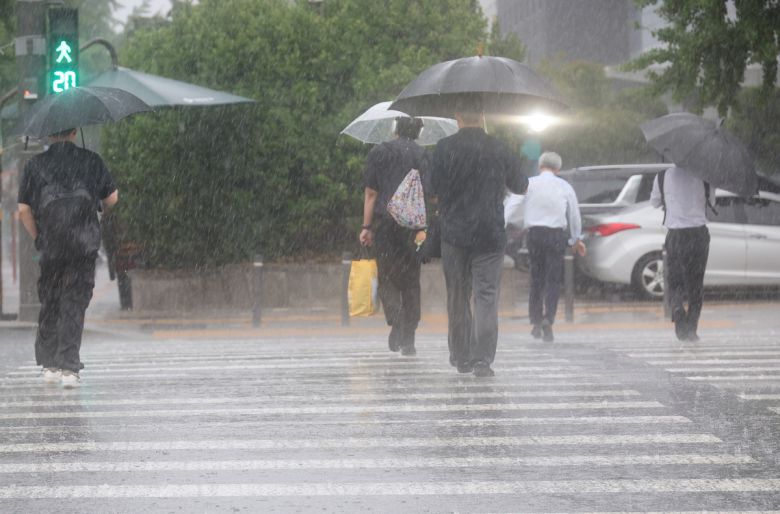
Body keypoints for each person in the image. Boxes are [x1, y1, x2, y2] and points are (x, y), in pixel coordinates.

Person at [429, 95, 528, 378]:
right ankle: (482, 359)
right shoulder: (498, 147)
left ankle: (461, 356)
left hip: (454, 234)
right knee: (486, 296)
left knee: (457, 295)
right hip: (490, 233)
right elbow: (521, 186)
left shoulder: (444, 148)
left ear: (457, 116)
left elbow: (432, 191)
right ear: (482, 115)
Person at [17, 127, 118, 388]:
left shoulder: (34, 165)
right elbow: (112, 198)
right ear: (74, 132)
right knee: (75, 301)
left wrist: (39, 237)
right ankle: (69, 368)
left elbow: (23, 210)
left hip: (51, 245)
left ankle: (50, 364)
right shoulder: (92, 160)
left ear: (49, 134)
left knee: (51, 299)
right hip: (83, 246)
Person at [360, 117, 427, 356]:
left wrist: (366, 227)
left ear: (395, 128)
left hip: (385, 224)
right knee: (411, 280)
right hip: (414, 227)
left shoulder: (379, 152)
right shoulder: (422, 155)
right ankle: (409, 338)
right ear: (419, 131)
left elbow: (371, 193)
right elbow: (430, 193)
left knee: (387, 277)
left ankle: (396, 319)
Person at [523, 151, 586, 343]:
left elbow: (513, 204)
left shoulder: (529, 183)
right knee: (553, 280)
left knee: (536, 278)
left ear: (540, 166)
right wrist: (576, 238)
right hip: (556, 236)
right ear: (558, 168)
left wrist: (502, 225)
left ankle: (535, 320)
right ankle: (548, 319)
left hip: (534, 234)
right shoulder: (564, 186)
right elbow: (574, 214)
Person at [650, 165, 709, 342]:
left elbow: (654, 202)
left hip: (676, 234)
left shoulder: (662, 176)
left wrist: (671, 200)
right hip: (698, 234)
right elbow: (711, 201)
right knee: (696, 282)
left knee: (675, 280)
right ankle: (691, 328)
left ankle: (677, 309)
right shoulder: (704, 174)